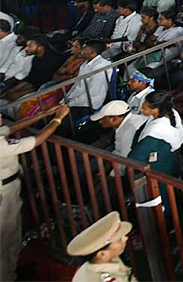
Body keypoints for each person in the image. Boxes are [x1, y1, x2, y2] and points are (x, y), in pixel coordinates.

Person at [1, 104, 70, 281]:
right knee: (7, 236)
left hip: (9, 188)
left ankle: (11, 270)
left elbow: (11, 128)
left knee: (12, 232)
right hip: (4, 193)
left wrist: (43, 114)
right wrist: (58, 118)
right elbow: (37, 140)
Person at [66, 211, 136, 282]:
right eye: (119, 240)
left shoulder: (96, 263)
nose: (125, 238)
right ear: (102, 254)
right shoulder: (107, 279)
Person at [128, 91, 183, 177]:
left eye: (144, 107)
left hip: (158, 169)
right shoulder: (172, 113)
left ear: (156, 109)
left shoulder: (155, 131)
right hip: (170, 161)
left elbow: (136, 157)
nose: (141, 109)